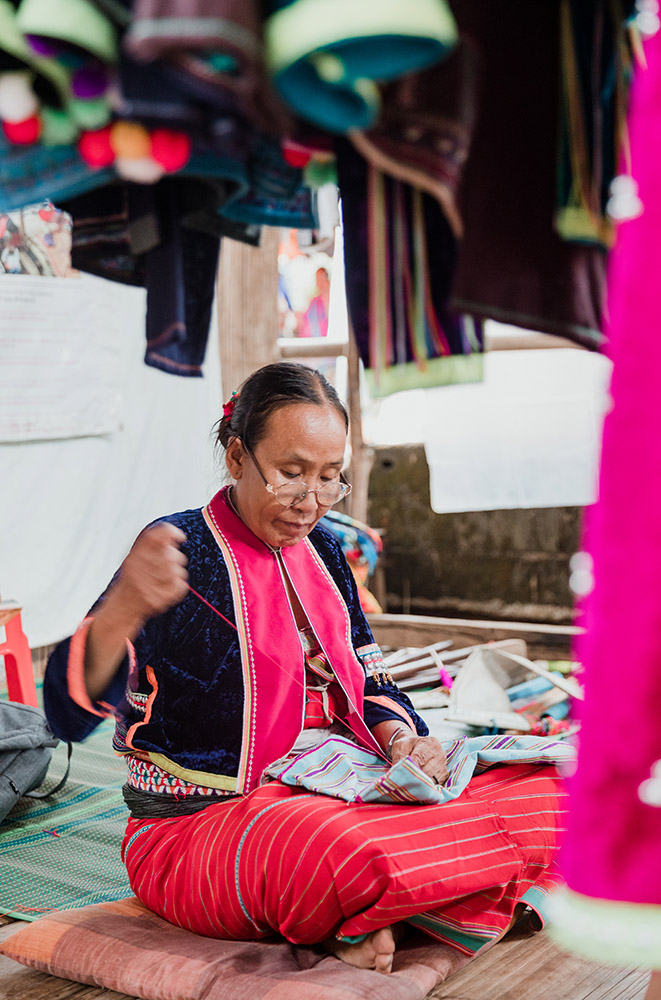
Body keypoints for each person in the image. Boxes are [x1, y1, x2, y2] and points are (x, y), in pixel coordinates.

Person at [44, 362, 567, 975]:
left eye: (329, 478)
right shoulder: (175, 554)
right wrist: (124, 610)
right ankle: (436, 894)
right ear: (238, 457)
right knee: (334, 849)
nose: (311, 502)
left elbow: (372, 682)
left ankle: (387, 909)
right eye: (290, 474)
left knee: (559, 784)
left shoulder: (324, 553)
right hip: (208, 828)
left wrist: (404, 740)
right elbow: (63, 713)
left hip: (349, 788)